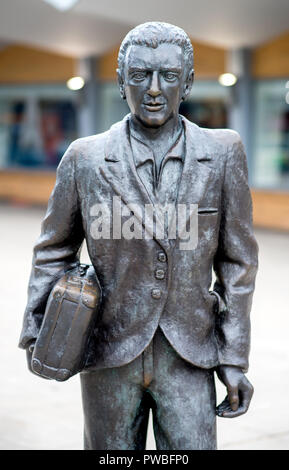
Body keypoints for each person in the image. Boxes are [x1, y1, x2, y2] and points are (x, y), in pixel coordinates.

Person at [19, 22, 258, 450]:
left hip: (189, 356)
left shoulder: (222, 154)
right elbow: (53, 249)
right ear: (119, 80)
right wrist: (38, 331)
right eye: (139, 75)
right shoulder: (86, 158)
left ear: (186, 83)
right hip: (107, 350)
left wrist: (233, 355)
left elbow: (238, 263)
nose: (153, 89)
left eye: (168, 76)